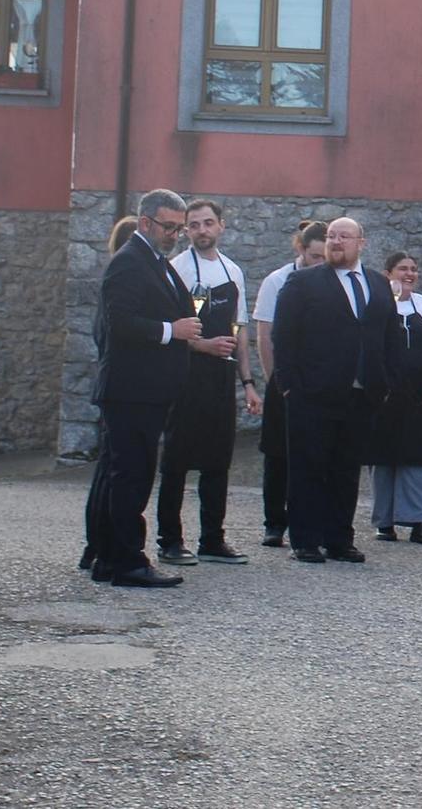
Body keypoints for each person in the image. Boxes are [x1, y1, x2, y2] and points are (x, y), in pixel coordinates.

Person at [90, 189, 213, 588]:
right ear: (145, 223)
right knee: (131, 477)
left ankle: (108, 557)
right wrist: (170, 330)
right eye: (169, 227)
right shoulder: (130, 262)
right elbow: (120, 324)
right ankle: (127, 561)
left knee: (125, 474)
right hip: (131, 390)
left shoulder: (155, 262)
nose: (175, 235)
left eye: (179, 228)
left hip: (147, 390)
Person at [270, 217, 401, 565]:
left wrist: (385, 381)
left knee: (346, 468)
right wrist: (288, 385)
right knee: (308, 467)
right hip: (312, 393)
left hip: (361, 393)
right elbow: (283, 336)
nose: (336, 241)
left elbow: (389, 335)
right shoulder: (303, 282)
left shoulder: (378, 284)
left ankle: (339, 538)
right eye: (331, 236)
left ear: (362, 243)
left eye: (344, 236)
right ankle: (305, 540)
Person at [156, 199, 257, 567]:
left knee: (218, 458)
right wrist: (203, 346)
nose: (202, 230)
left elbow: (239, 330)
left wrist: (248, 382)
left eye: (208, 223)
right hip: (184, 374)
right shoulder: (175, 269)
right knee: (177, 459)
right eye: (194, 224)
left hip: (221, 377)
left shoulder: (233, 271)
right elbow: (169, 329)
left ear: (221, 226)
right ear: (186, 230)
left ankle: (213, 538)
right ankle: (169, 539)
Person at [252, 219, 326, 547]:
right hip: (285, 379)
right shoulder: (277, 281)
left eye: (324, 257)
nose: (320, 263)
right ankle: (274, 522)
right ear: (301, 249)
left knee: (315, 454)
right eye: (314, 256)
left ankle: (309, 520)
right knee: (277, 454)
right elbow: (265, 336)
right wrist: (278, 381)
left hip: (319, 380)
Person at [369, 252, 422, 545]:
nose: (409, 274)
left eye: (414, 269)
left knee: (418, 454)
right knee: (382, 456)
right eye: (402, 269)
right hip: (384, 392)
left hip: (420, 392)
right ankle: (384, 522)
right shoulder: (375, 306)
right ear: (387, 274)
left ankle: (418, 521)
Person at [80, 216, 145, 575]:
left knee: (108, 469)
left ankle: (95, 547)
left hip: (114, 383)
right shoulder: (123, 277)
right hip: (123, 386)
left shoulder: (114, 277)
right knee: (115, 470)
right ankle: (102, 547)